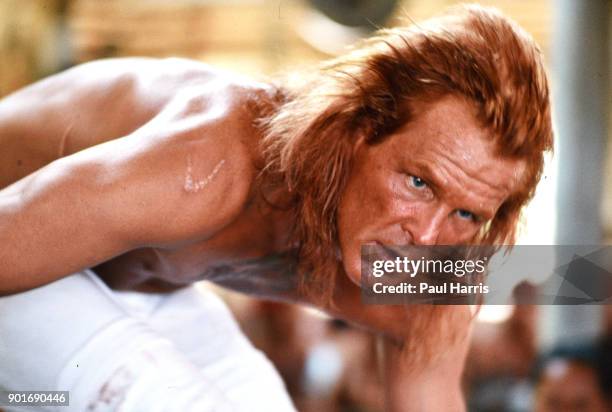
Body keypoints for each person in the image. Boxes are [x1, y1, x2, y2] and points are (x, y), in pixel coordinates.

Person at [0, 4, 552, 410]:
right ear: (357, 130)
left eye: (467, 214)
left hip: (136, 283)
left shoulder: (430, 278)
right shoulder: (210, 168)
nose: (427, 236)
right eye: (418, 183)